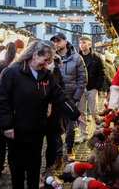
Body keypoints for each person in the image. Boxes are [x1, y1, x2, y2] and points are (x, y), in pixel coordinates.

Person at [0, 40, 81, 189]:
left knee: (34, 166)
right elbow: (0, 99)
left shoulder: (46, 74)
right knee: (17, 168)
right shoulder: (12, 71)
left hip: (37, 129)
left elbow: (59, 95)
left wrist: (75, 114)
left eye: (49, 61)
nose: (47, 64)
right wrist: (7, 125)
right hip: (16, 131)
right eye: (45, 60)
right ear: (34, 55)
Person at [51, 32, 87, 163]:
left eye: (58, 41)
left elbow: (82, 79)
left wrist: (76, 98)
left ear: (65, 41)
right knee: (56, 127)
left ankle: (69, 149)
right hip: (55, 98)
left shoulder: (76, 58)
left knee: (70, 128)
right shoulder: (51, 58)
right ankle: (58, 154)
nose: (56, 43)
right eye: (54, 41)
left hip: (71, 98)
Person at [0, 42, 17, 177]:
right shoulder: (16, 67)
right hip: (15, 108)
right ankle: (16, 168)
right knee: (14, 142)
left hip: (0, 108)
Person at [42, 41, 66, 181]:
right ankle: (36, 173)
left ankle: (50, 170)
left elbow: (61, 86)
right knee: (37, 145)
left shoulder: (55, 68)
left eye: (52, 55)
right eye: (48, 56)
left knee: (53, 142)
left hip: (54, 113)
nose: (50, 59)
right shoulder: (35, 68)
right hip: (39, 113)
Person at [76, 36, 106, 143]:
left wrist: (97, 87)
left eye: (84, 43)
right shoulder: (77, 57)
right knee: (81, 112)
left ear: (89, 44)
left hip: (92, 88)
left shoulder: (96, 57)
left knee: (94, 111)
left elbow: (102, 72)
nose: (82, 45)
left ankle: (96, 132)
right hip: (80, 88)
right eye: (80, 43)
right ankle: (83, 134)